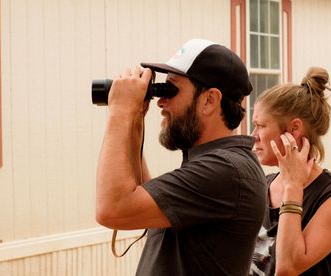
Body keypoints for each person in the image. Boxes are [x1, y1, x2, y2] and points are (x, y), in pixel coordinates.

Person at [96, 38, 267, 275]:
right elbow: (145, 205)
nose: (161, 102)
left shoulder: (227, 170)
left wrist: (120, 112)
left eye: (171, 90)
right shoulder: (218, 164)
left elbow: (113, 209)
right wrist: (134, 122)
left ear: (209, 100)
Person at [249, 67, 331, 276]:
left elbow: (288, 267)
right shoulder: (262, 185)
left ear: (294, 129)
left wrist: (293, 186)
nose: (253, 135)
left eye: (261, 125)